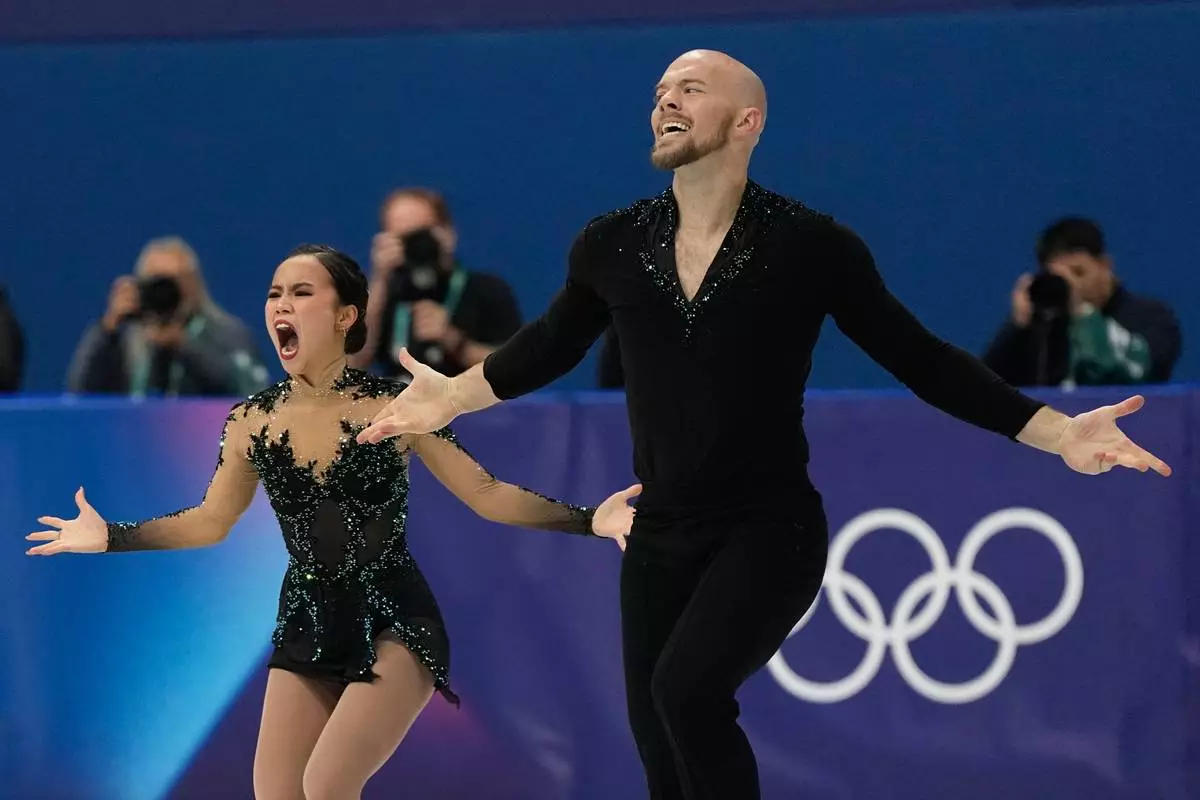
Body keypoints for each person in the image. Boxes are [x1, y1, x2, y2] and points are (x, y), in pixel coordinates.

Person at [355, 50, 1172, 800]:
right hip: (659, 528)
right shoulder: (610, 245)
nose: (666, 100)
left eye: (690, 89)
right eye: (659, 92)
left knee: (688, 692)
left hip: (768, 526)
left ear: (748, 121)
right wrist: (451, 397)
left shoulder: (811, 246)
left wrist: (1058, 433)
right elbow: (546, 348)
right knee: (659, 744)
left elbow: (920, 356)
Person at [26, 244, 639, 800]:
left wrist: (590, 521)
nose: (280, 305)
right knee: (277, 793)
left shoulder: (393, 406)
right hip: (307, 619)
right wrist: (112, 537)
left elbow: (485, 493)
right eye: (273, 293)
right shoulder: (251, 421)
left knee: (326, 784)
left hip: (393, 618)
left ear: (346, 316)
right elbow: (212, 522)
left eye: (301, 292)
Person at [66, 236, 270, 397]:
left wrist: (184, 345)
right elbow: (79, 392)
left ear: (194, 284)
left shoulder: (226, 334)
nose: (165, 292)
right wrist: (107, 329)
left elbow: (252, 392)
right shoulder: (127, 339)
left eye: (174, 281)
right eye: (156, 283)